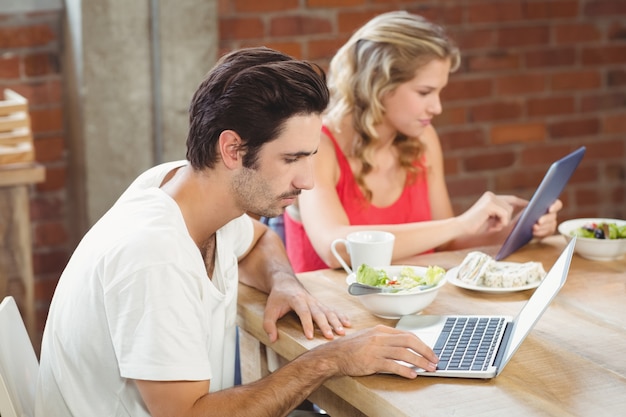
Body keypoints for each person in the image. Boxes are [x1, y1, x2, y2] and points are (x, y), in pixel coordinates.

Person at [35, 47, 440, 417]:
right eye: (292, 159)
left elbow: (260, 240)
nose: (308, 181)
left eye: (311, 156)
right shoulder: (155, 254)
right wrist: (329, 359)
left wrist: (285, 282)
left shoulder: (182, 186)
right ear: (232, 149)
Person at [284, 11, 562, 273]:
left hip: (412, 310)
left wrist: (518, 230)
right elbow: (336, 250)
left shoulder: (423, 140)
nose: (437, 108)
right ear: (379, 84)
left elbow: (444, 244)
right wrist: (460, 223)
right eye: (425, 92)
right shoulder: (318, 146)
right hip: (332, 316)